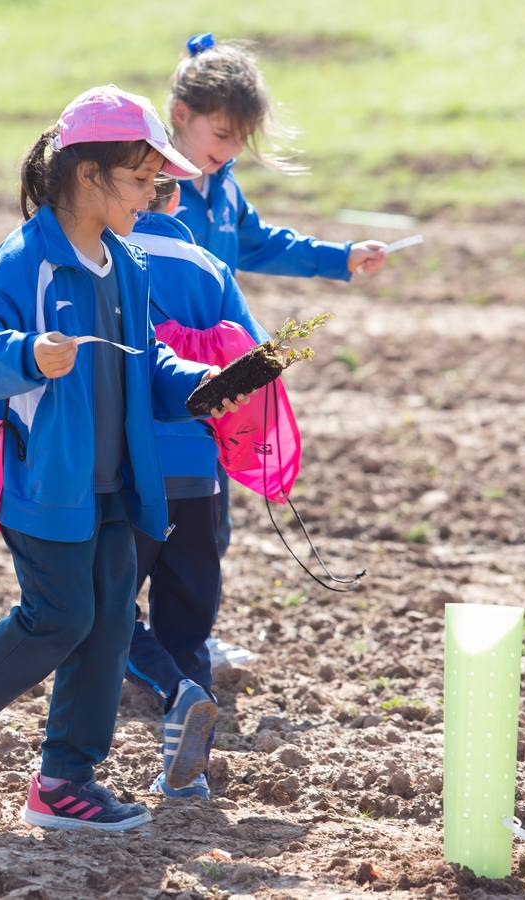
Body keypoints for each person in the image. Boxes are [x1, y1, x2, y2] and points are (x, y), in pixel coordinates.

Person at [0, 85, 245, 832]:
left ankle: (64, 780)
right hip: (47, 483)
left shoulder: (124, 262)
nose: (155, 193)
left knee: (111, 621)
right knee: (59, 617)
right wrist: (28, 352)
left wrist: (198, 385)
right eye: (143, 177)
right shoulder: (29, 257)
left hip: (117, 483)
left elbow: (147, 359)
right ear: (90, 175)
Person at [165, 33, 388, 666]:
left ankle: (189, 641)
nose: (231, 151)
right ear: (181, 115)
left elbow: (263, 244)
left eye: (240, 141)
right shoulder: (148, 185)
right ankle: (135, 645)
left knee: (211, 513)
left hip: (222, 373)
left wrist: (339, 257)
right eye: (222, 135)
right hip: (160, 374)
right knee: (153, 515)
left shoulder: (224, 188)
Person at [123, 178, 268, 799]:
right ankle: (189, 777)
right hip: (198, 478)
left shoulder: (108, 258)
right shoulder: (210, 267)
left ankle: (171, 692)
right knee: (188, 626)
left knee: (99, 608)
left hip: (126, 472)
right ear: (177, 200)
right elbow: (256, 361)